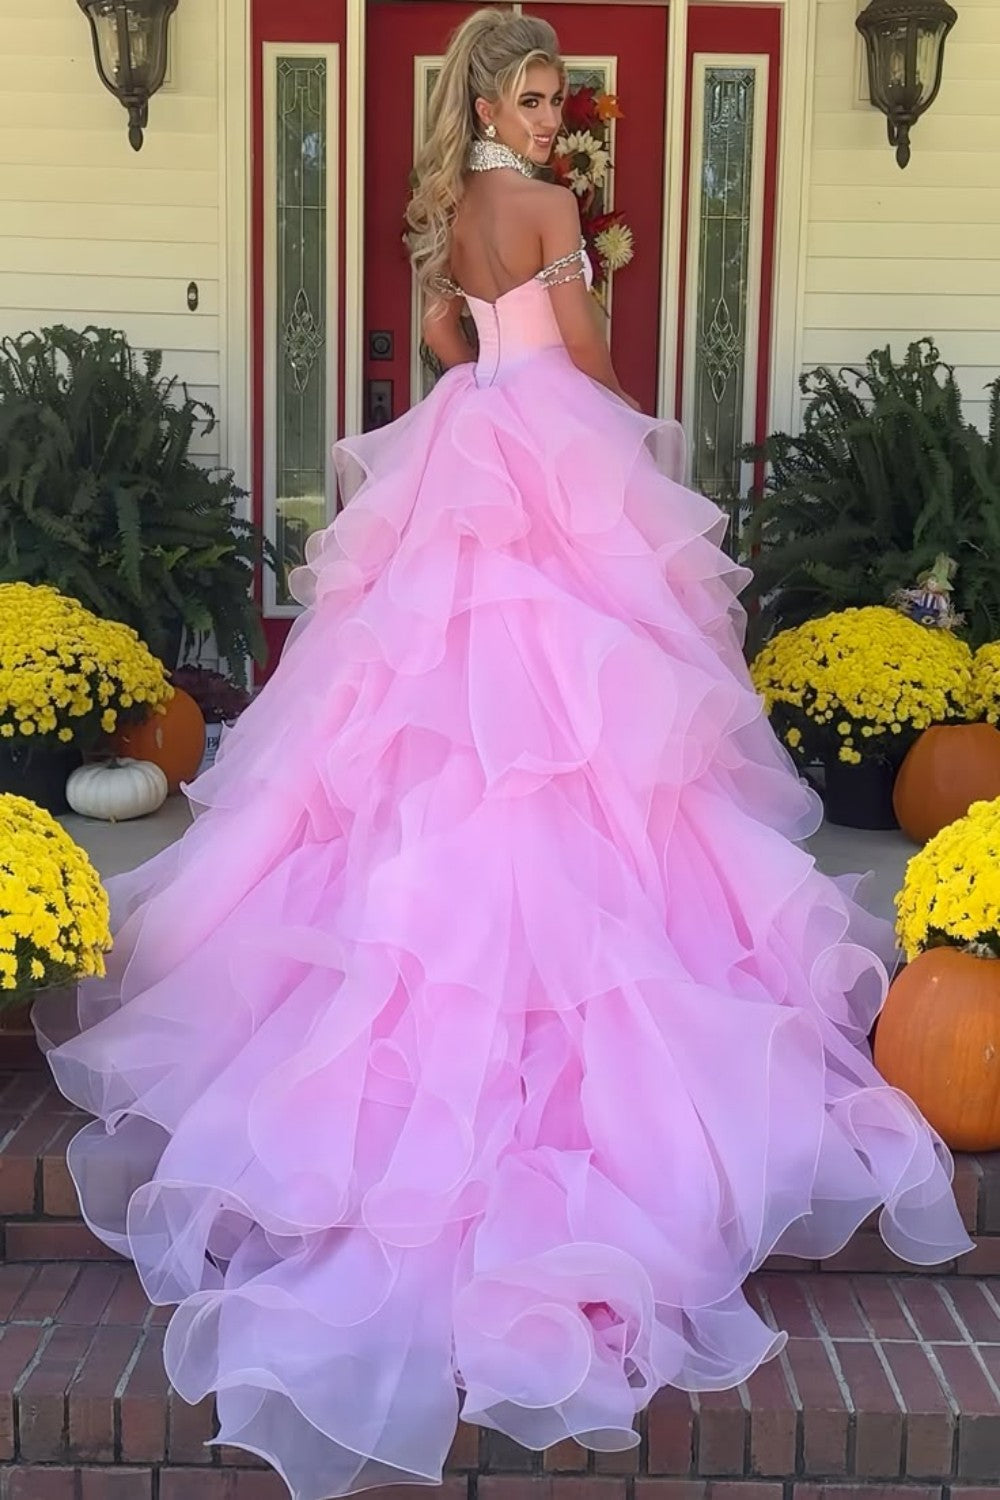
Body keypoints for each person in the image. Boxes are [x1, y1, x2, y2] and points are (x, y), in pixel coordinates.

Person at [37, 11, 970, 1500]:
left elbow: (446, 349)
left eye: (557, 101)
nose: (550, 121)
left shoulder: (447, 213)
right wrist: (633, 435)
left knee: (428, 727)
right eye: (534, 98)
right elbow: (586, 362)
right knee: (575, 729)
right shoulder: (545, 208)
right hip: (548, 454)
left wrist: (503, 355)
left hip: (464, 442)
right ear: (488, 96)